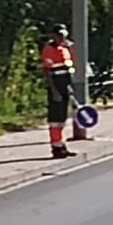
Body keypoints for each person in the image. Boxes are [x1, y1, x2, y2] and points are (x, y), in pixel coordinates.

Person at [41, 26, 77, 159]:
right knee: (55, 119)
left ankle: (61, 145)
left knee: (62, 118)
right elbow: (47, 72)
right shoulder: (49, 50)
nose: (62, 38)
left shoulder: (65, 49)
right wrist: (54, 91)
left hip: (65, 86)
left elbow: (69, 69)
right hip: (55, 87)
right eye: (59, 35)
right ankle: (56, 147)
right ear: (53, 35)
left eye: (64, 35)